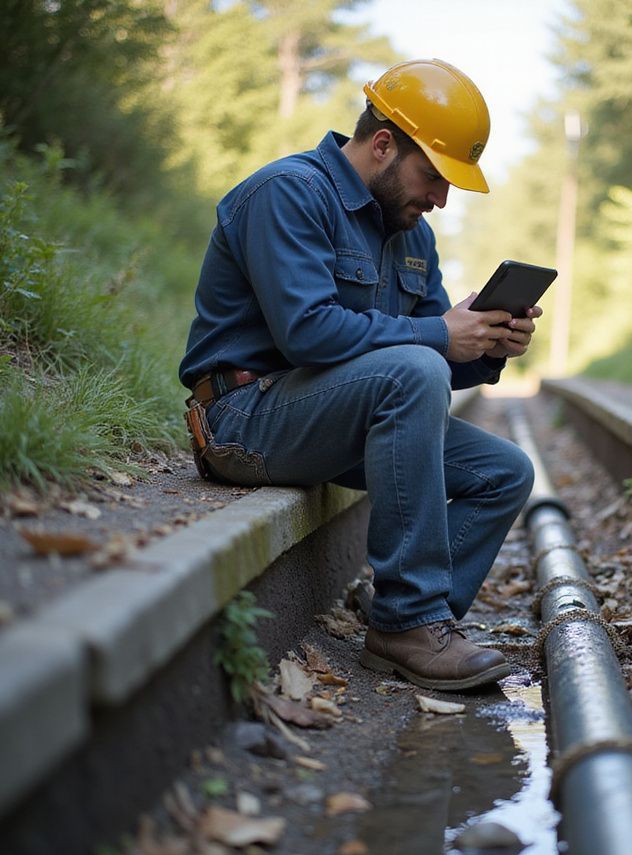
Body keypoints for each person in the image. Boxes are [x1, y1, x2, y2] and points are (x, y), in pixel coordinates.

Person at [180, 59, 539, 692]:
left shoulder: (410, 235)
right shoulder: (289, 193)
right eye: (433, 176)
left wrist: (487, 344)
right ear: (382, 145)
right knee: (415, 365)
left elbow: (431, 362)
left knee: (504, 473)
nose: (440, 199)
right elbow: (309, 333)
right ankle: (410, 620)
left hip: (323, 418)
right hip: (244, 417)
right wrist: (439, 338)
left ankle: (406, 616)